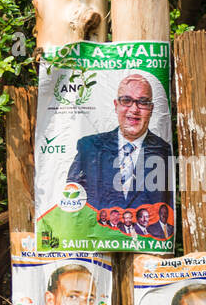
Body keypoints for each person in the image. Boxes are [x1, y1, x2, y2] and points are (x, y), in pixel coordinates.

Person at [66, 72, 173, 213]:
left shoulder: (164, 151)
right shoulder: (89, 147)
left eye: (143, 102)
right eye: (126, 100)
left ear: (151, 109)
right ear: (116, 105)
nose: (134, 109)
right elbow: (71, 200)